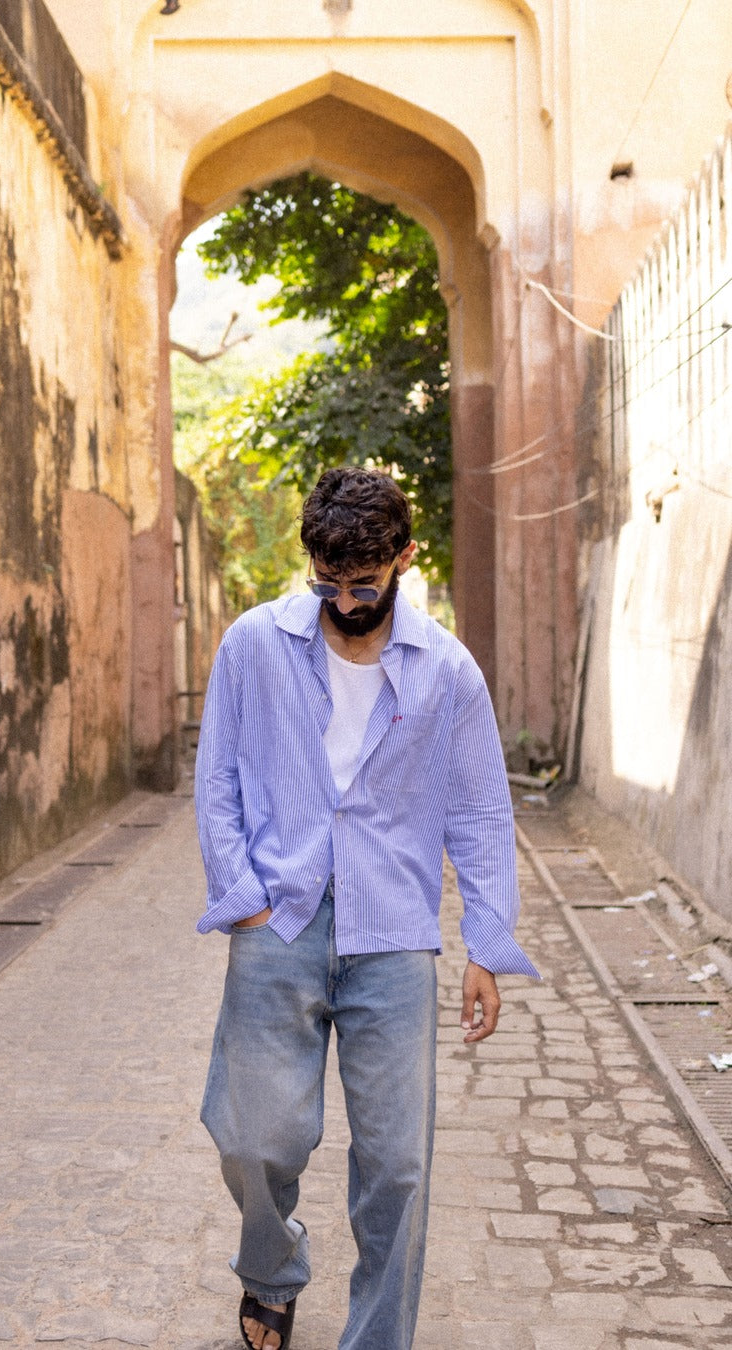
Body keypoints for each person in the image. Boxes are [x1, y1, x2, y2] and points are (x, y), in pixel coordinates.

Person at [194, 466, 539, 1350]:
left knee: (397, 1166)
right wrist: (244, 900)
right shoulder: (253, 646)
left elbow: (479, 810)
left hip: (394, 934)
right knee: (252, 1140)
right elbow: (218, 778)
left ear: (404, 559)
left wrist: (486, 944)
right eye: (328, 583)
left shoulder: (448, 671)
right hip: (280, 920)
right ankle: (272, 1269)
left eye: (364, 584)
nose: (346, 602)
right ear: (309, 561)